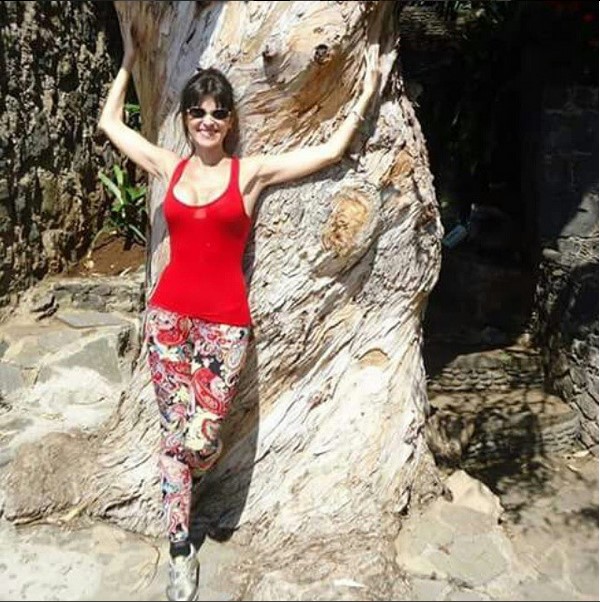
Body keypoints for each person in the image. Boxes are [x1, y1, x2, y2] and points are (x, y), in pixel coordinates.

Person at [98, 23, 381, 602]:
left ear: (229, 121)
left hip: (225, 325)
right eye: (197, 112)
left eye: (217, 112)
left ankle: (194, 467)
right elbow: (110, 124)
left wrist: (368, 90)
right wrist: (127, 61)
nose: (207, 121)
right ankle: (180, 549)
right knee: (173, 440)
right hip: (167, 320)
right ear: (186, 119)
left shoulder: (248, 173)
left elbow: (329, 151)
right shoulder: (170, 167)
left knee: (200, 440)